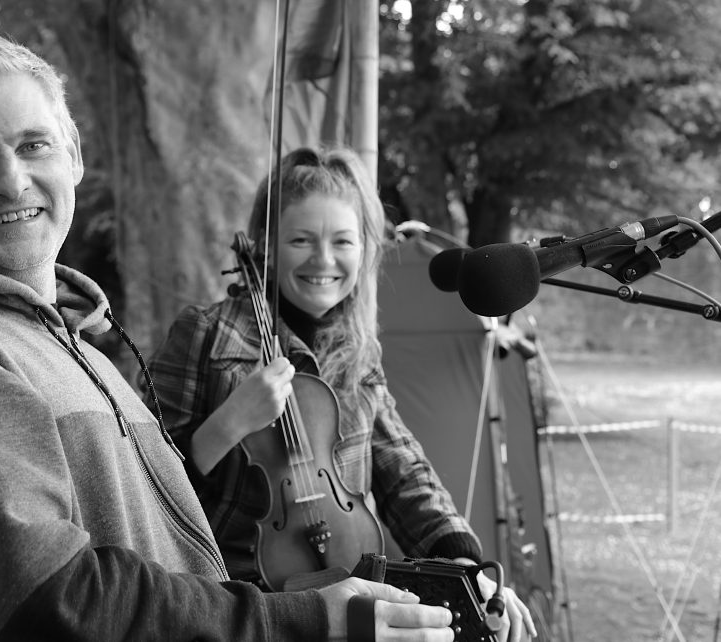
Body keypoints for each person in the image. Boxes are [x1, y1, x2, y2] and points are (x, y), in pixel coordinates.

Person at [0, 35, 463, 641]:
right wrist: (299, 621)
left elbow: (398, 469)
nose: (12, 181)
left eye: (34, 145)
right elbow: (54, 602)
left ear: (74, 156)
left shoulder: (74, 343)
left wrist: (455, 562)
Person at [145, 146, 537, 641]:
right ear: (267, 247)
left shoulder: (358, 353)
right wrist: (229, 423)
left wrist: (463, 565)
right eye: (301, 240)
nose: (324, 260)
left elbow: (404, 471)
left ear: (366, 250)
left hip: (347, 596)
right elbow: (145, 484)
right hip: (233, 606)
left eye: (343, 241)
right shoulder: (205, 335)